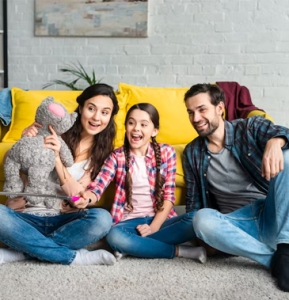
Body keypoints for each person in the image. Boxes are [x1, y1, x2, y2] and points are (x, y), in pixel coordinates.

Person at [182, 83, 289, 292]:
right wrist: (203, 237)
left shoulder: (249, 127)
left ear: (220, 108)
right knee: (201, 219)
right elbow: (193, 204)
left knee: (288, 156)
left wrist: (276, 142)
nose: (195, 118)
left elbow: (284, 132)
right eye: (190, 112)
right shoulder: (192, 152)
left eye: (202, 109)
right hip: (237, 223)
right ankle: (275, 260)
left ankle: (285, 246)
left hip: (271, 212)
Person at [0, 83, 119, 266]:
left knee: (102, 219)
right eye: (91, 108)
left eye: (104, 112)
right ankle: (72, 256)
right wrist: (24, 142)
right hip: (27, 215)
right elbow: (10, 162)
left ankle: (22, 252)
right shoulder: (54, 130)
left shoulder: (102, 155)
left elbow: (77, 195)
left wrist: (56, 158)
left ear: (110, 117)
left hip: (64, 220)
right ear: (80, 108)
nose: (96, 117)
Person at [80, 103, 207, 262]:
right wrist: (86, 197)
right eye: (131, 123)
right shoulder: (116, 157)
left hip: (161, 221)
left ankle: (133, 247)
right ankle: (181, 251)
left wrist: (153, 227)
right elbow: (98, 187)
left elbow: (168, 196)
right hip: (128, 224)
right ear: (126, 127)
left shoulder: (167, 152)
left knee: (198, 218)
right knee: (114, 237)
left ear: (154, 130)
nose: (136, 128)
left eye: (143, 124)